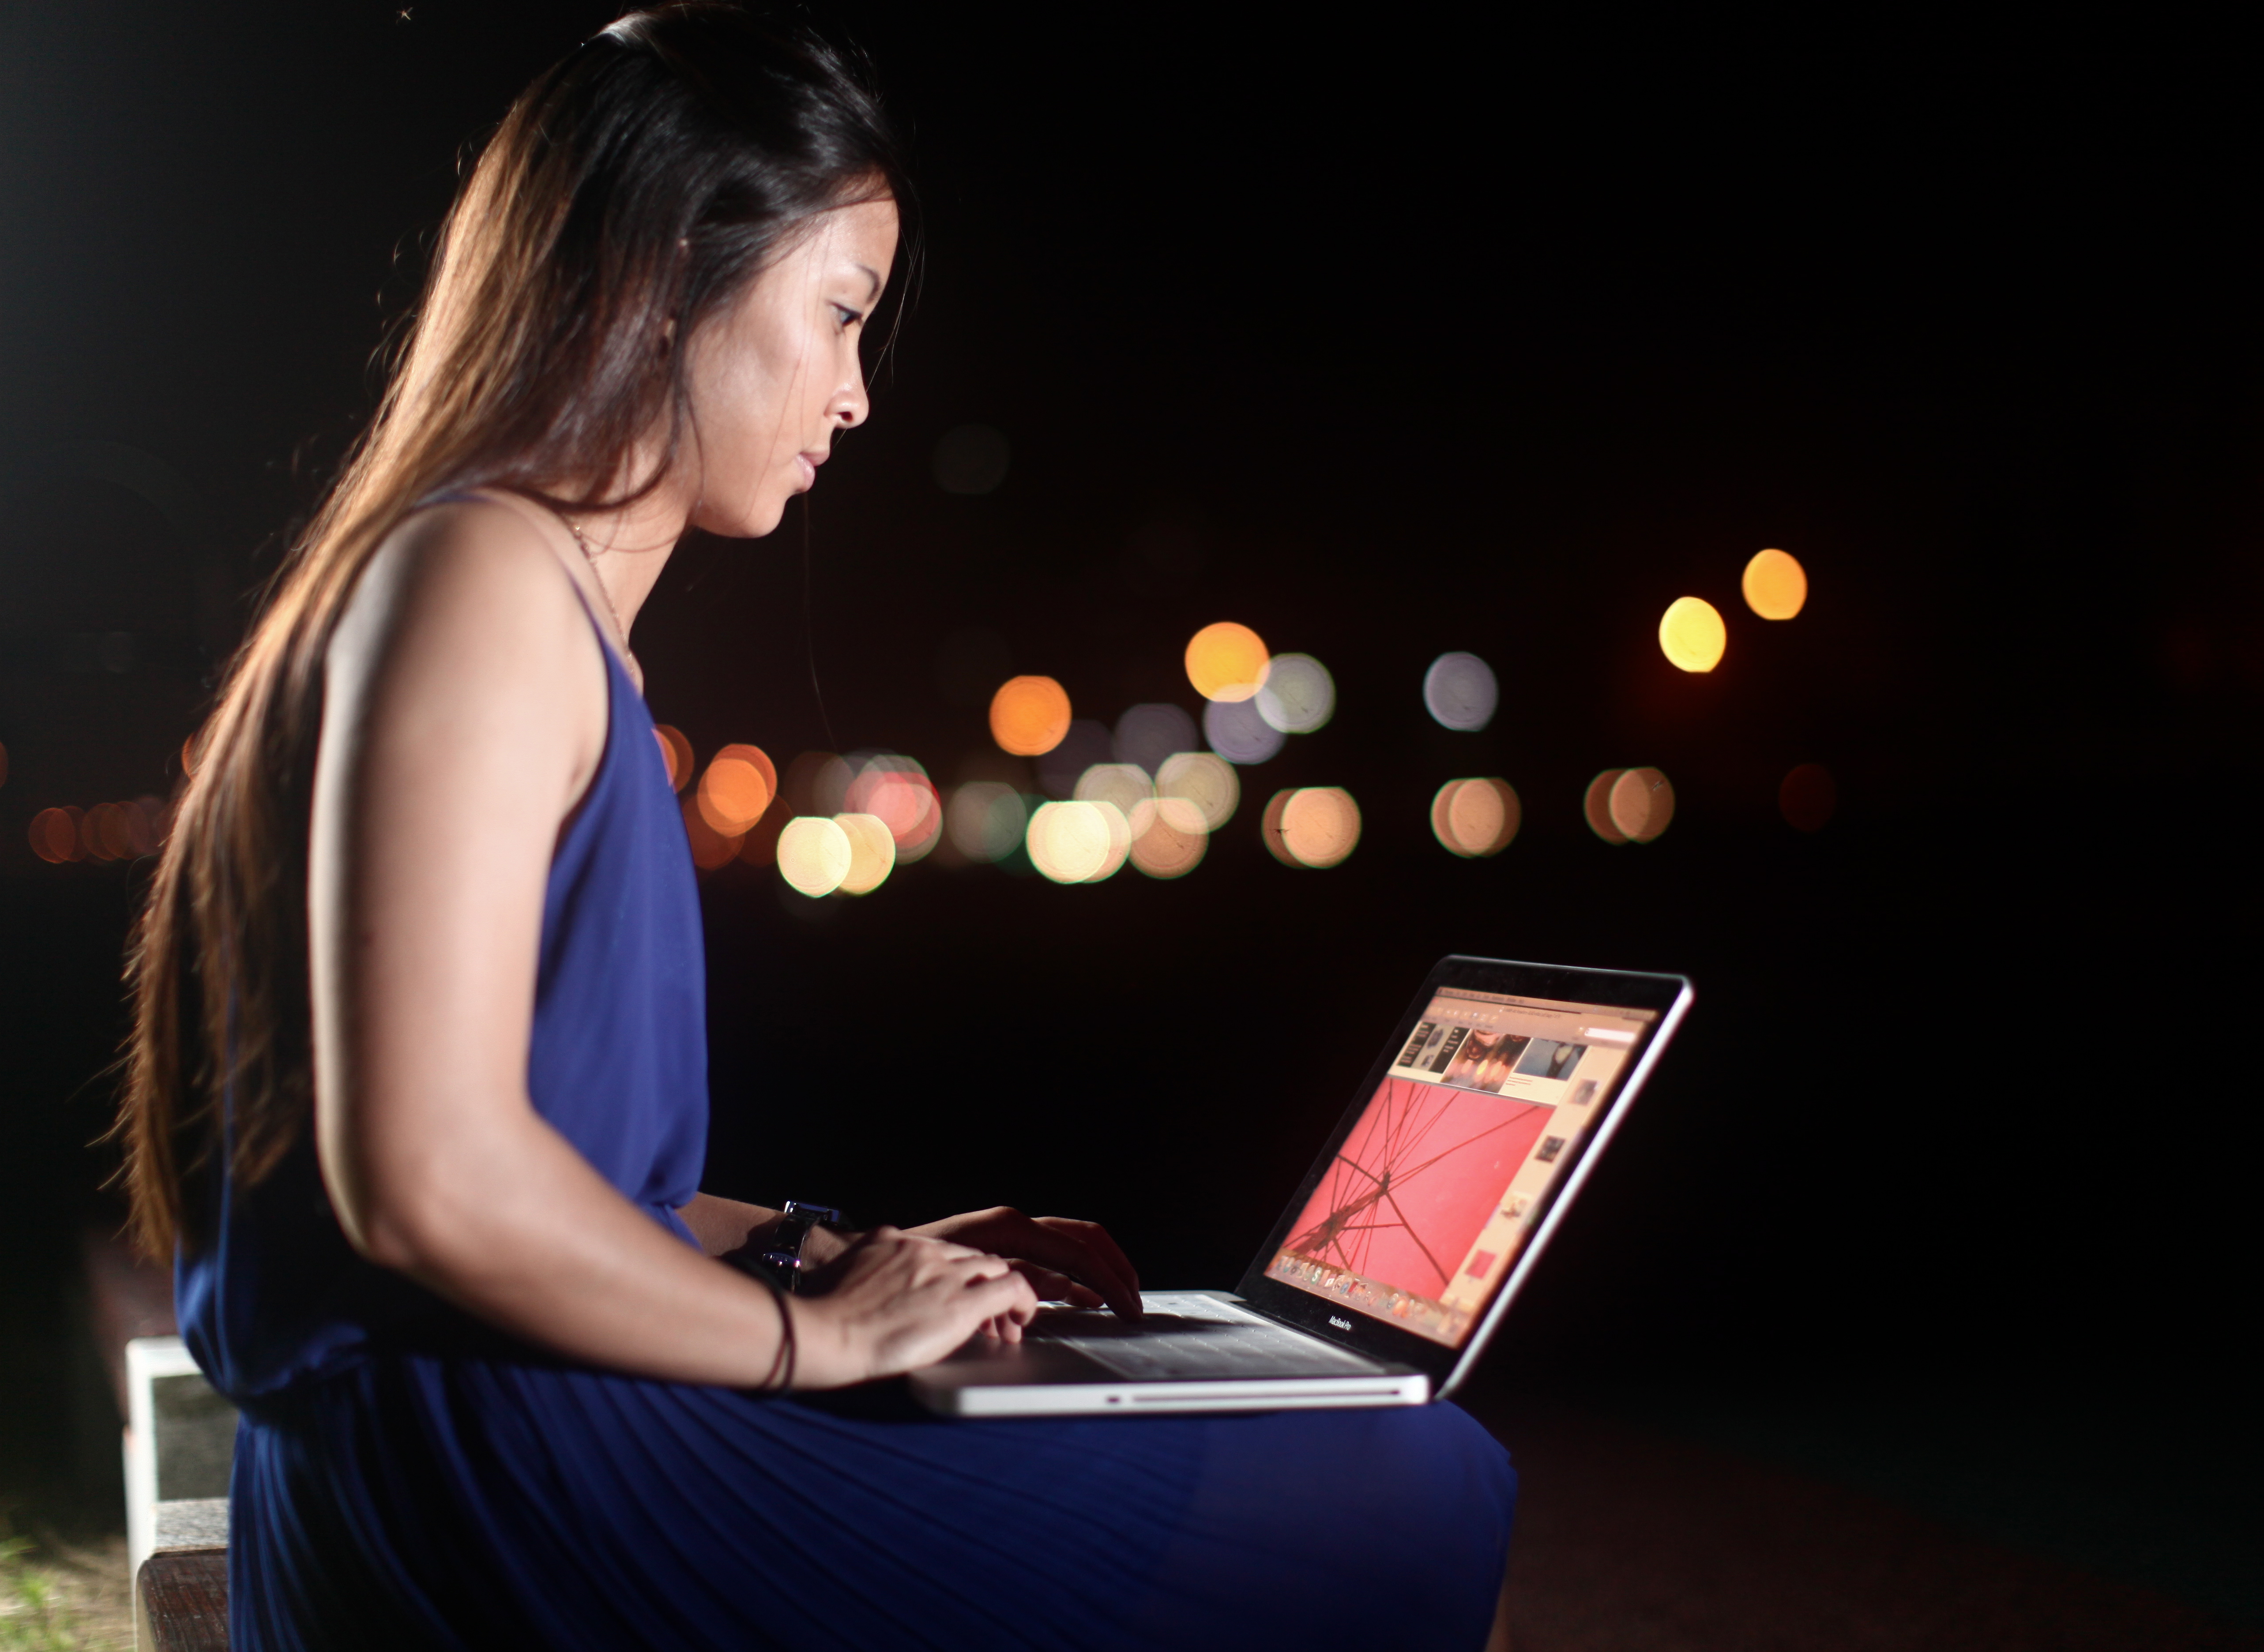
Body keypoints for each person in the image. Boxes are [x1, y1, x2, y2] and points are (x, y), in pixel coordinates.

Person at [116, 8, 1516, 1648]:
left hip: (493, 1446)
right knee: (1420, 1482)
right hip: (513, 1487)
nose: (855, 396)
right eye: (839, 313)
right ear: (663, 278)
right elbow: (424, 1180)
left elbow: (543, 1166)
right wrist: (823, 1343)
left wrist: (834, 1252)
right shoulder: (483, 587)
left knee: (1355, 1454)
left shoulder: (520, 605)